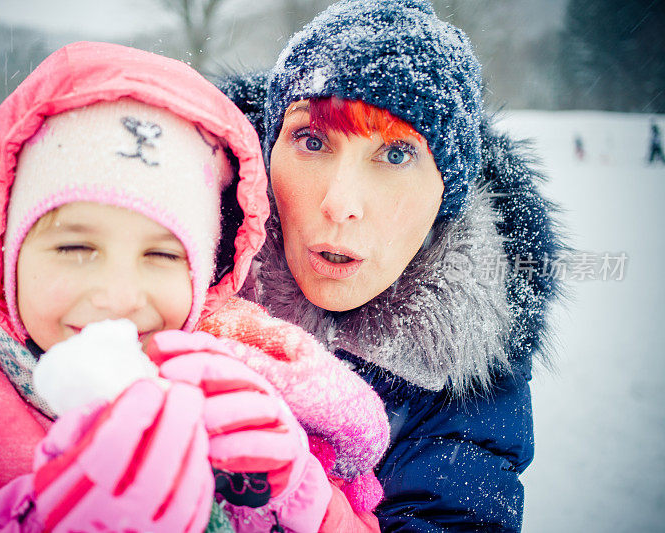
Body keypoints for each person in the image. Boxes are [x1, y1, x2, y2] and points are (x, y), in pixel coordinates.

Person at [0, 41, 388, 532]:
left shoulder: (241, 379)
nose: (117, 296)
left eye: (161, 254)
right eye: (75, 248)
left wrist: (303, 498)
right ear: (8, 251)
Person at [216, 0, 566, 530]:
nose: (340, 201)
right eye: (312, 141)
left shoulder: (467, 374)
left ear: (447, 194)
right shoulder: (169, 275)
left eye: (396, 154)